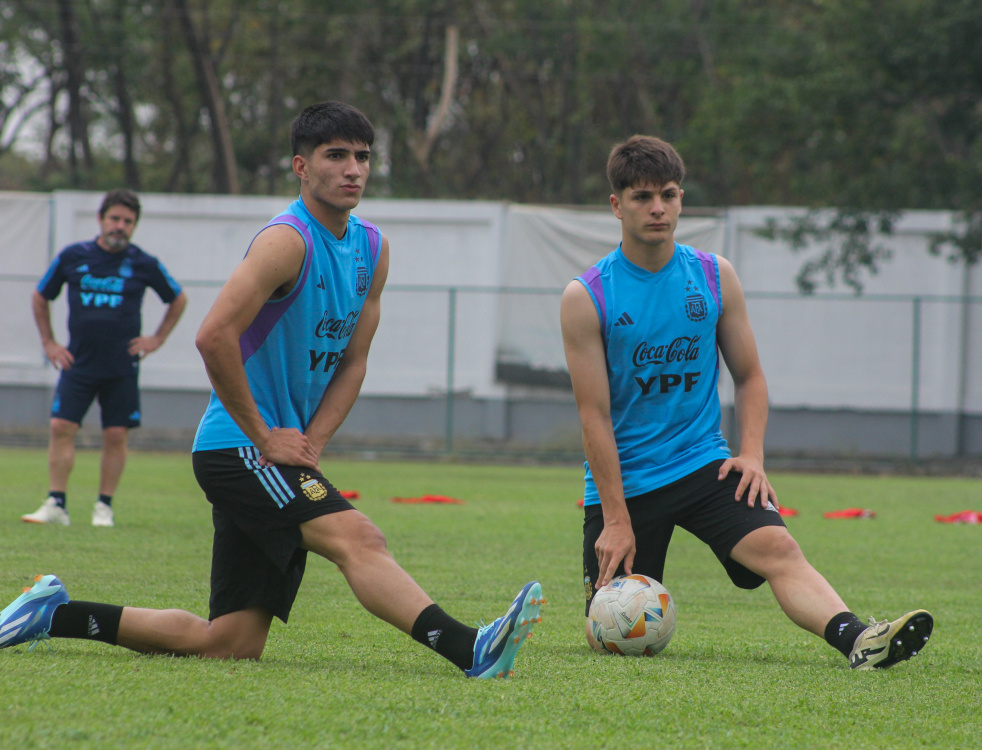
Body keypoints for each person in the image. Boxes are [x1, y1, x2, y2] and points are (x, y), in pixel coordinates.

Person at [1, 101, 543, 679]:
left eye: (362, 157)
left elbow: (354, 362)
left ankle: (53, 613)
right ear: (301, 167)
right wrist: (265, 434)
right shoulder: (287, 241)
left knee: (229, 642)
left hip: (275, 451)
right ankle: (471, 649)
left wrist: (311, 443)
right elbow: (213, 337)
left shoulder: (372, 250)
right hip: (237, 448)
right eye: (335, 156)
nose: (352, 169)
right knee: (359, 536)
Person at [560, 134, 932, 670]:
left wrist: (751, 455)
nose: (658, 208)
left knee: (781, 550)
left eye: (668, 194)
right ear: (616, 206)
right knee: (613, 627)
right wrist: (616, 518)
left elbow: (751, 377)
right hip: (628, 482)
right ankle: (620, 566)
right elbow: (592, 416)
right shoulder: (587, 295)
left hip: (702, 463)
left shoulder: (713, 275)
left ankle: (859, 639)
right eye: (642, 197)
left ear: (682, 198)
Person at [22, 189, 188, 528]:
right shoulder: (73, 257)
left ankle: (104, 507)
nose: (120, 226)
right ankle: (57, 503)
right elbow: (41, 296)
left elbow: (178, 298)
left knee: (115, 435)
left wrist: (157, 338)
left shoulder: (144, 263)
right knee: (60, 427)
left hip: (121, 366)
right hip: (78, 362)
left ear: (134, 226)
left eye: (128, 221)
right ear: (101, 220)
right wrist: (49, 343)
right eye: (114, 219)